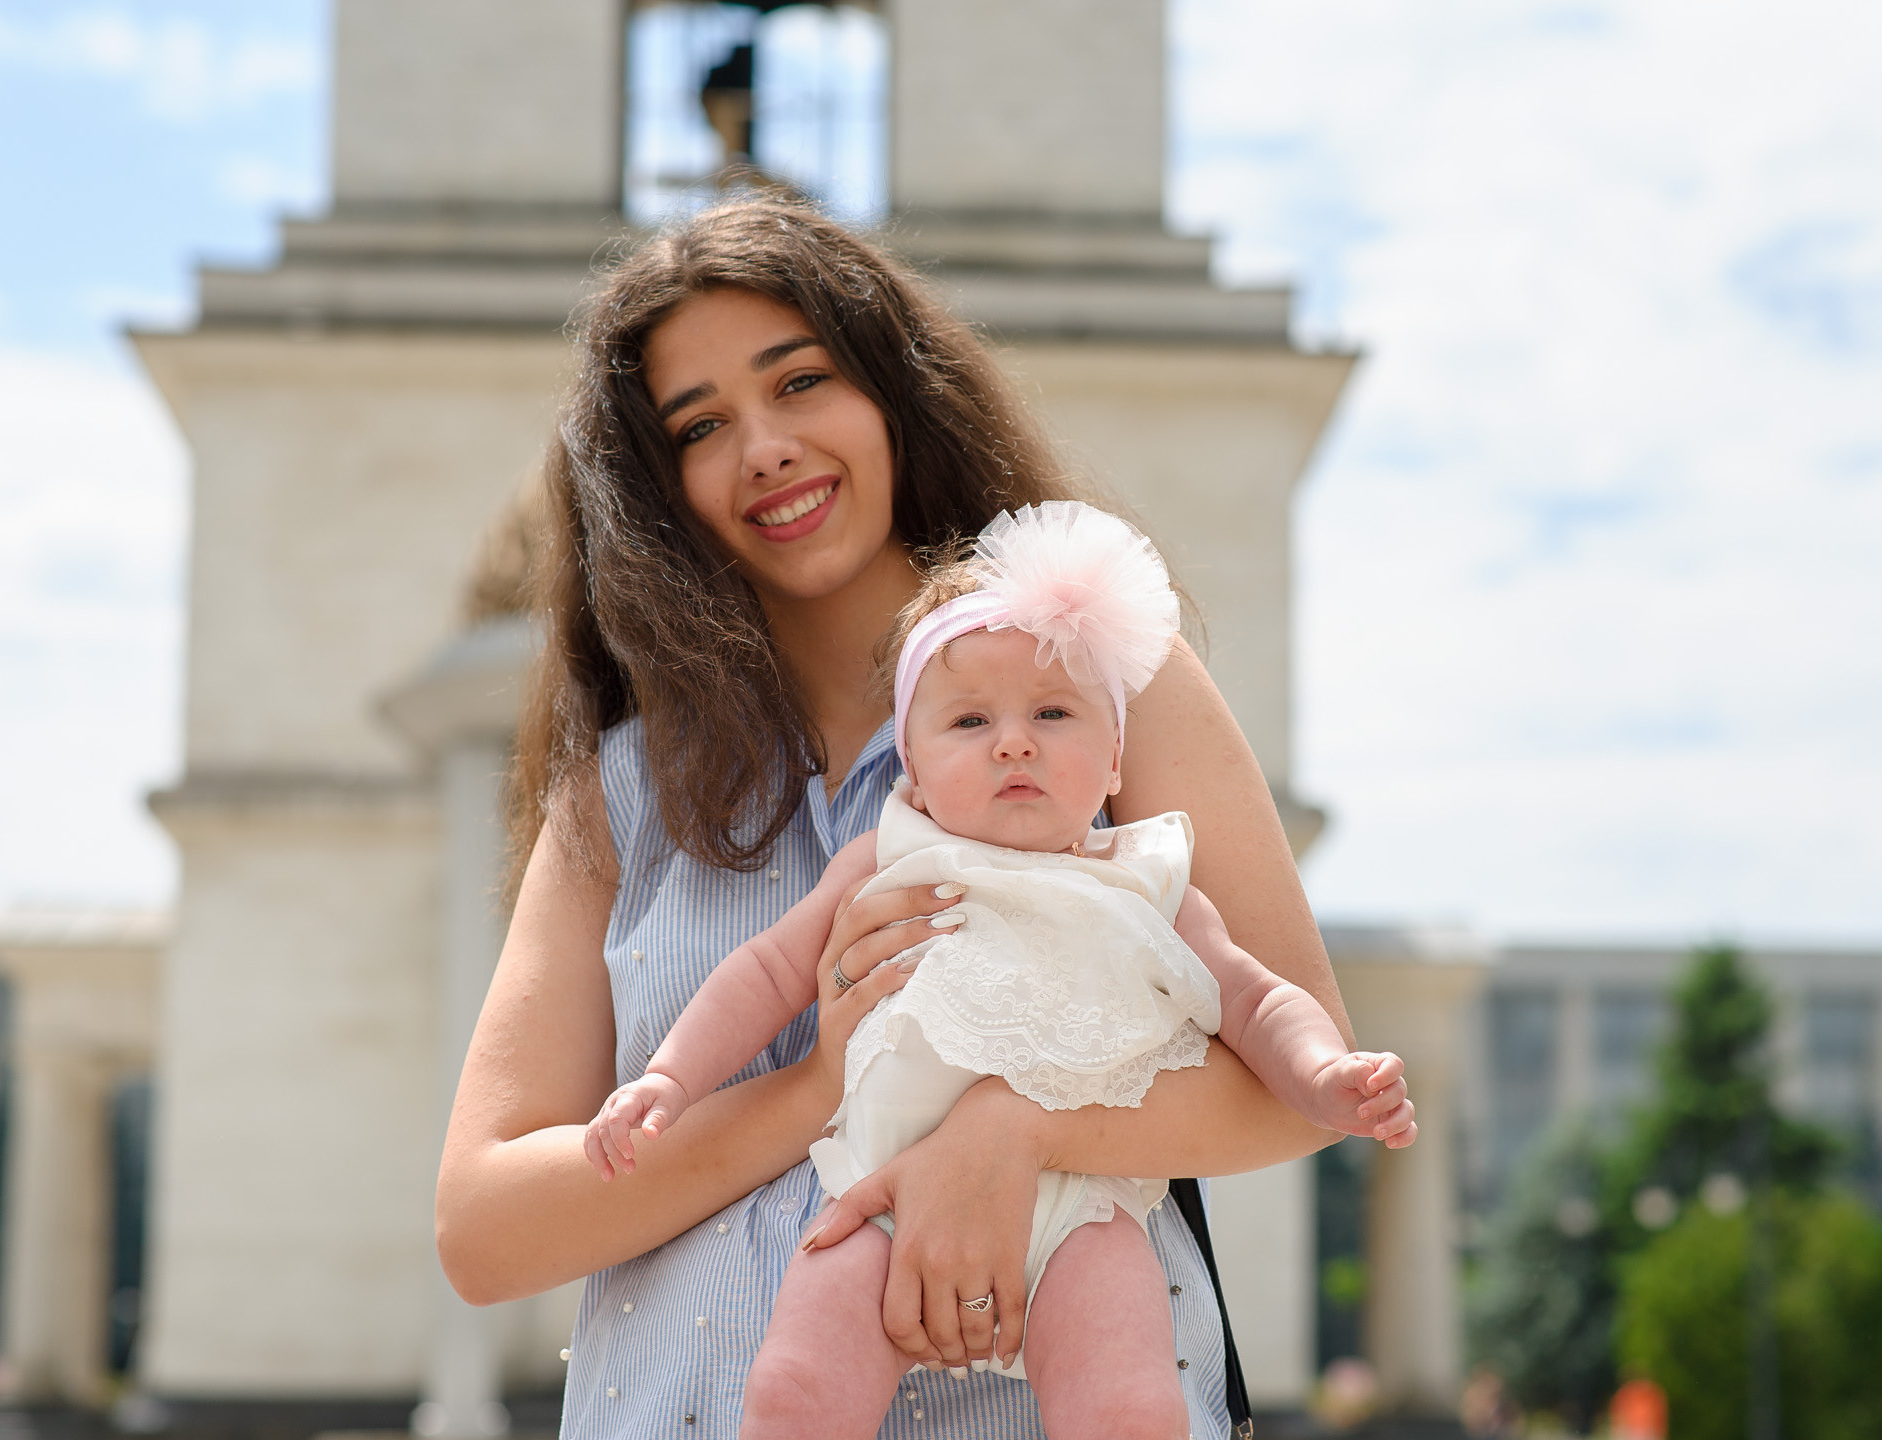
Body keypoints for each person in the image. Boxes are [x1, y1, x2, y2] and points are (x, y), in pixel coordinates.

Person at [432, 198, 1415, 1440]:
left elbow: (1294, 1085)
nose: (765, 447)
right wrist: (821, 1088)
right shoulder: (617, 791)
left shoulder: (1098, 680)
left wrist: (1017, 1127)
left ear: (895, 391)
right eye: (701, 425)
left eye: (801, 380)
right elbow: (484, 1231)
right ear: (657, 485)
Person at [585, 500, 1415, 1440]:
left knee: (1132, 1408)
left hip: (1086, 1208)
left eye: (1053, 713)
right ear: (912, 763)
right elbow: (766, 972)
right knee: (794, 1393)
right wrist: (668, 1077)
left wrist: (1324, 1074)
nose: (1014, 741)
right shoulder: (889, 860)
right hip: (878, 1187)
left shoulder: (1150, 882)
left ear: (1114, 758)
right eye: (970, 720)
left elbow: (1257, 1000)